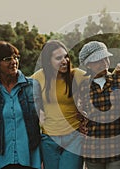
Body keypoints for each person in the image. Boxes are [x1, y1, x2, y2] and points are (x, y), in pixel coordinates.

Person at [0, 41, 42, 169]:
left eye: (16, 57)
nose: (14, 61)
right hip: (1, 159)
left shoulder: (32, 86)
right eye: (7, 59)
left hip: (29, 156)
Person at [31, 40, 86, 169]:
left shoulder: (76, 75)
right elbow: (18, 84)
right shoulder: (38, 77)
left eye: (66, 56)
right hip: (48, 139)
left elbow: (103, 79)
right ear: (48, 61)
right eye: (58, 58)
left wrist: (117, 72)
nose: (64, 61)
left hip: (73, 137)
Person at [78, 41, 120, 169]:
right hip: (93, 149)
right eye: (98, 60)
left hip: (117, 147)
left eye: (105, 58)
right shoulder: (83, 87)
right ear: (88, 64)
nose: (104, 62)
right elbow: (81, 114)